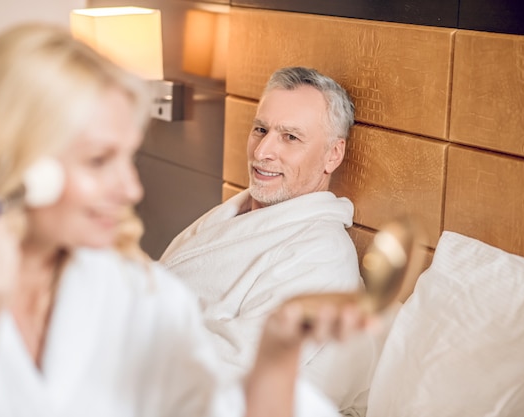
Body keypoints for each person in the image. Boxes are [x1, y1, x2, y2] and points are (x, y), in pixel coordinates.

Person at [0, 23, 374, 417]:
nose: (132, 190)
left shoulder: (134, 292)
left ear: (334, 153)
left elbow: (220, 400)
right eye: (98, 160)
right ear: (25, 166)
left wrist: (274, 352)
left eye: (291, 136)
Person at [160, 67, 385, 415]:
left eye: (290, 137)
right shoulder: (235, 212)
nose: (262, 151)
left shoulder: (321, 254)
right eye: (261, 129)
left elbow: (236, 371)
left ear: (333, 155)